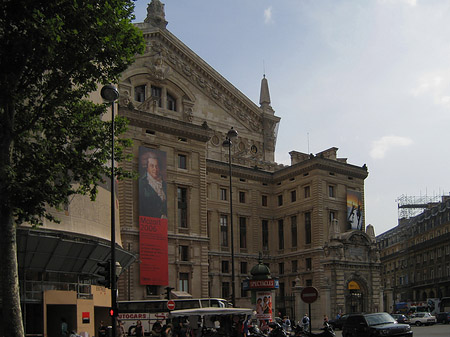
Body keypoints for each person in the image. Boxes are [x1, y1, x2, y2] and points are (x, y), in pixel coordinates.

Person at [139, 150, 167, 219]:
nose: (155, 169)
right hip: (148, 223)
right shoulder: (142, 183)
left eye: (157, 166)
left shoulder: (164, 184)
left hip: (162, 224)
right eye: (152, 166)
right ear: (147, 167)